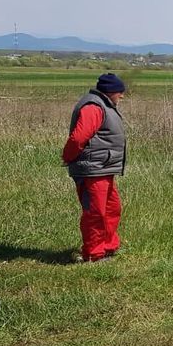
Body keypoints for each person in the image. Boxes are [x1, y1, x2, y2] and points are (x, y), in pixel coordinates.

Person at [62, 73, 128, 262]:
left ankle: (108, 246)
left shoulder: (104, 104)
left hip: (103, 168)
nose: (122, 96)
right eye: (120, 92)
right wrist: (68, 157)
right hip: (91, 170)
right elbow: (78, 138)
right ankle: (94, 254)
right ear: (110, 92)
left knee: (112, 208)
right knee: (96, 212)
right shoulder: (93, 107)